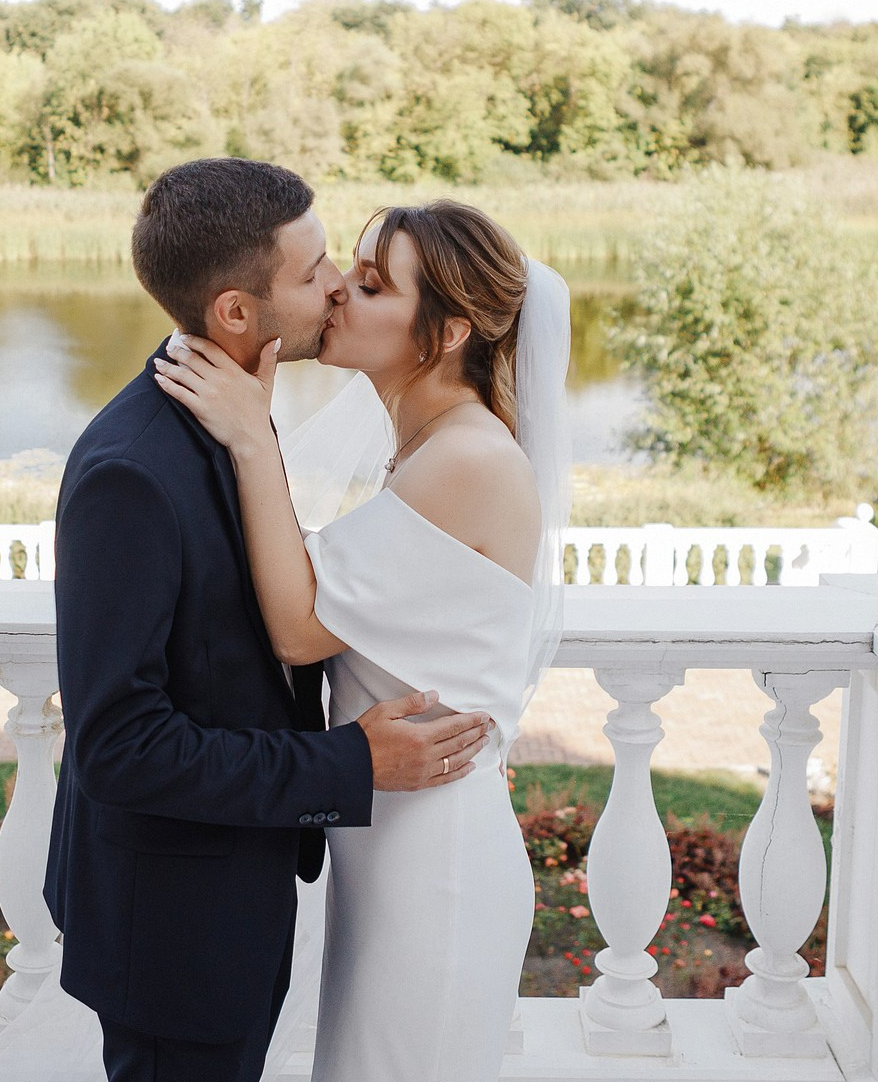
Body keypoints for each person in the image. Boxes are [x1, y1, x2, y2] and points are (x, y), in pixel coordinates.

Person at [43, 158, 499, 1082]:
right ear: (235, 313)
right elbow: (118, 745)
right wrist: (350, 764)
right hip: (170, 926)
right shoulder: (134, 470)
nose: (335, 285)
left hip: (229, 901)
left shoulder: (233, 413)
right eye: (314, 270)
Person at [152, 198, 568, 1082]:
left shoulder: (467, 457)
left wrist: (251, 440)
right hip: (392, 848)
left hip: (435, 866)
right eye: (347, 267)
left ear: (448, 330)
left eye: (373, 285)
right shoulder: (426, 447)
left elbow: (302, 629)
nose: (338, 289)